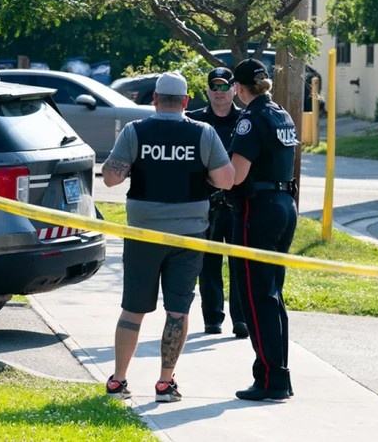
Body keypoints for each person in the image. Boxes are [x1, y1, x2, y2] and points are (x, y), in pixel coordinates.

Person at [101, 71, 235, 403]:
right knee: (177, 310)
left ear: (155, 99)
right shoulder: (203, 132)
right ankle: (164, 383)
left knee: (133, 309)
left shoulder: (135, 131)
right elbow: (226, 180)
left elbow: (111, 178)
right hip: (188, 236)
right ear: (186, 101)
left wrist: (131, 164)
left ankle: (119, 380)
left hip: (142, 234)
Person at [228, 58, 298, 401]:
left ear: (239, 89)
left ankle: (271, 379)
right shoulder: (281, 114)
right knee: (272, 294)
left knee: (256, 297)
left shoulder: (250, 119)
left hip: (259, 210)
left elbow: (236, 175)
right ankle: (277, 374)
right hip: (285, 204)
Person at [186, 67, 248, 339]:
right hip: (206, 203)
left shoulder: (246, 120)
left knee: (239, 263)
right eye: (215, 87)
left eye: (225, 87)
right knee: (208, 264)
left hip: (239, 203)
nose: (220, 92)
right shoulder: (194, 121)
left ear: (234, 89)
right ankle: (212, 319)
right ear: (208, 90)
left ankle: (241, 319)